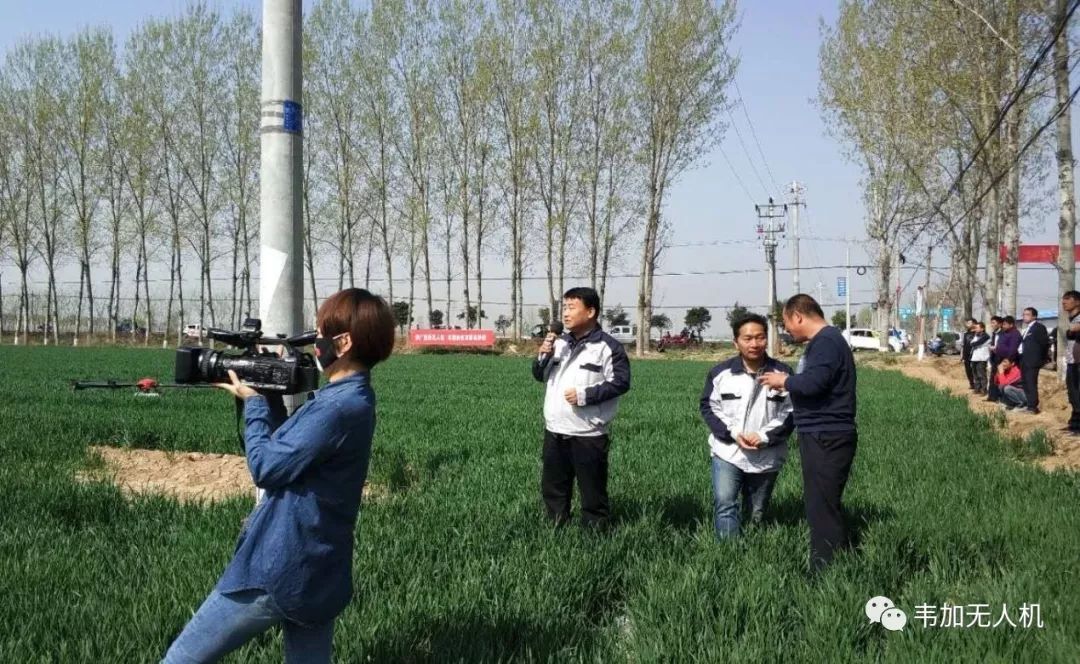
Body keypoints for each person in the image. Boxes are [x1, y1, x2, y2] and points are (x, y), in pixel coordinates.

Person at [162, 288, 396, 664]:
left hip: (279, 565)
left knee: (181, 659)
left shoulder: (337, 408)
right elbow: (293, 453)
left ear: (344, 342)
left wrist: (254, 403)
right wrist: (270, 393)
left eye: (321, 333)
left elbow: (267, 467)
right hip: (319, 569)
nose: (316, 342)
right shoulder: (354, 400)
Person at [759, 294, 857, 573]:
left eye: (786, 323)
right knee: (823, 502)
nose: (787, 330)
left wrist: (785, 381)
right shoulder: (827, 341)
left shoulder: (825, 342)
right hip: (823, 432)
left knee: (820, 506)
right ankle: (837, 560)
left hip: (826, 434)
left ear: (798, 316)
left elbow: (815, 383)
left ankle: (823, 570)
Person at [532, 287, 631, 529]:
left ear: (590, 312)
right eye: (564, 308)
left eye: (572, 308)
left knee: (592, 491)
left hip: (588, 433)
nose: (565, 314)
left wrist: (585, 395)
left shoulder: (608, 347)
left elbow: (621, 382)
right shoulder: (559, 343)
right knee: (554, 487)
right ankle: (556, 530)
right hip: (555, 429)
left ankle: (595, 535)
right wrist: (542, 356)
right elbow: (539, 375)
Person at [699, 313, 794, 539]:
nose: (754, 344)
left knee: (756, 512)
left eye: (760, 337)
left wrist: (764, 436)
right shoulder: (720, 374)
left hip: (767, 453)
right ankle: (728, 550)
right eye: (748, 338)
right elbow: (709, 407)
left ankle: (752, 547)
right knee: (725, 502)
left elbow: (792, 412)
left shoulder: (784, 374)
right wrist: (733, 433)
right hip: (728, 451)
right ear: (736, 342)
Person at [1018, 307, 1050, 414]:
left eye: (1027, 314)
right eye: (1024, 314)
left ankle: (1033, 407)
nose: (1024, 317)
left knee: (1031, 383)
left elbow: (1044, 344)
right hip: (1024, 360)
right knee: (1025, 383)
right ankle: (1029, 404)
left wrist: (1042, 359)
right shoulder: (1027, 329)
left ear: (1034, 316)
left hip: (1033, 361)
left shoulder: (1039, 327)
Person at [1062, 291, 1080, 434]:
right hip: (1072, 361)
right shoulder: (1071, 318)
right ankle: (1074, 423)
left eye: (1068, 299)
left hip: (1078, 362)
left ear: (1078, 302)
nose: (1064, 302)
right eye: (1063, 299)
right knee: (1073, 394)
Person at [969, 322, 990, 395]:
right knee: (975, 374)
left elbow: (976, 343)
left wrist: (974, 343)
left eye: (977, 328)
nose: (976, 329)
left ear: (982, 328)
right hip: (975, 357)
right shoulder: (976, 335)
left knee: (981, 374)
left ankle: (984, 389)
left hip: (982, 358)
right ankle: (977, 388)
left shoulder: (985, 336)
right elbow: (971, 343)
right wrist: (973, 343)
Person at [986, 316, 1003, 402]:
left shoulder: (1003, 334)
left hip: (1001, 358)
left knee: (999, 378)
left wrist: (996, 348)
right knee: (992, 377)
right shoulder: (994, 333)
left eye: (993, 323)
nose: (992, 324)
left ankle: (998, 396)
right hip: (994, 358)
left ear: (999, 324)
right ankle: (991, 396)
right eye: (991, 323)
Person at [961, 318, 977, 390]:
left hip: (975, 355)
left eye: (969, 323)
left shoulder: (977, 333)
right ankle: (971, 384)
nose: (967, 325)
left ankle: (978, 385)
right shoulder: (966, 334)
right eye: (967, 323)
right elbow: (964, 345)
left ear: (974, 324)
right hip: (967, 355)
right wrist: (962, 356)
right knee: (968, 370)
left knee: (975, 370)